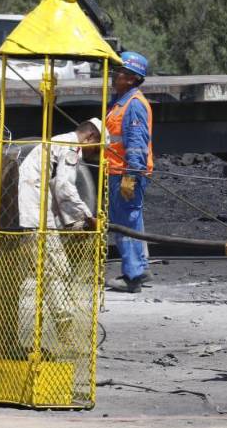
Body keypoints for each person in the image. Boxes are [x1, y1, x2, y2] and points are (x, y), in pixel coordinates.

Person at [16, 119, 102, 350]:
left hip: (36, 212)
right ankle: (63, 335)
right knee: (57, 272)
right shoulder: (71, 146)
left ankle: (36, 338)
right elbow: (64, 186)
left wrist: (71, 221)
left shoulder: (58, 142)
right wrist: (87, 216)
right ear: (90, 137)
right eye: (97, 147)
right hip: (37, 216)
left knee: (44, 274)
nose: (96, 153)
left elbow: (54, 186)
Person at [104, 52, 154, 293]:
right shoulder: (121, 101)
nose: (115, 76)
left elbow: (136, 144)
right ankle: (140, 268)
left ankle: (132, 276)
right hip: (118, 170)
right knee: (132, 221)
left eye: (120, 72)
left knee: (125, 224)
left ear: (133, 78)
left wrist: (130, 176)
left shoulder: (133, 105)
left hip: (124, 172)